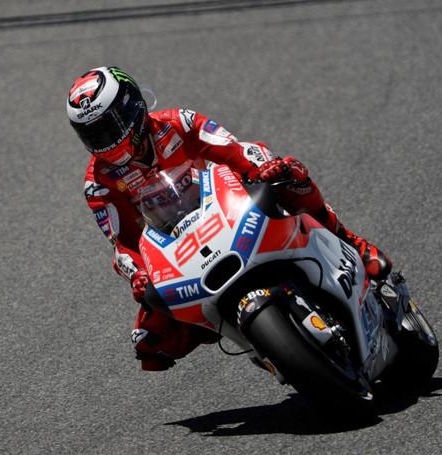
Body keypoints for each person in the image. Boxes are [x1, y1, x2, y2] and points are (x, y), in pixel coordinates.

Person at [68, 66, 391, 371]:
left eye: (108, 127)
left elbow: (233, 149)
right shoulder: (99, 183)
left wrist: (262, 168)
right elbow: (124, 242)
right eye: (92, 134)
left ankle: (349, 240)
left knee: (289, 175)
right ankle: (248, 337)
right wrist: (137, 274)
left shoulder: (179, 122)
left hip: (229, 208)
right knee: (150, 341)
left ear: (133, 108)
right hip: (178, 246)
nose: (103, 141)